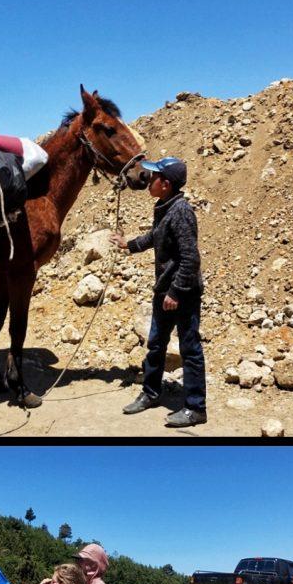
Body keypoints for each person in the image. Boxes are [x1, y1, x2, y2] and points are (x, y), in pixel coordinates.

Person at [110, 156, 207, 427]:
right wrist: (127, 245)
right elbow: (155, 236)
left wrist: (175, 292)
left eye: (153, 177)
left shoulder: (181, 211)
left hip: (182, 293)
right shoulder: (164, 207)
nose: (148, 180)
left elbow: (191, 258)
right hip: (164, 289)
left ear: (165, 184)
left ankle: (195, 408)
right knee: (155, 344)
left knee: (190, 349)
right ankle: (151, 393)